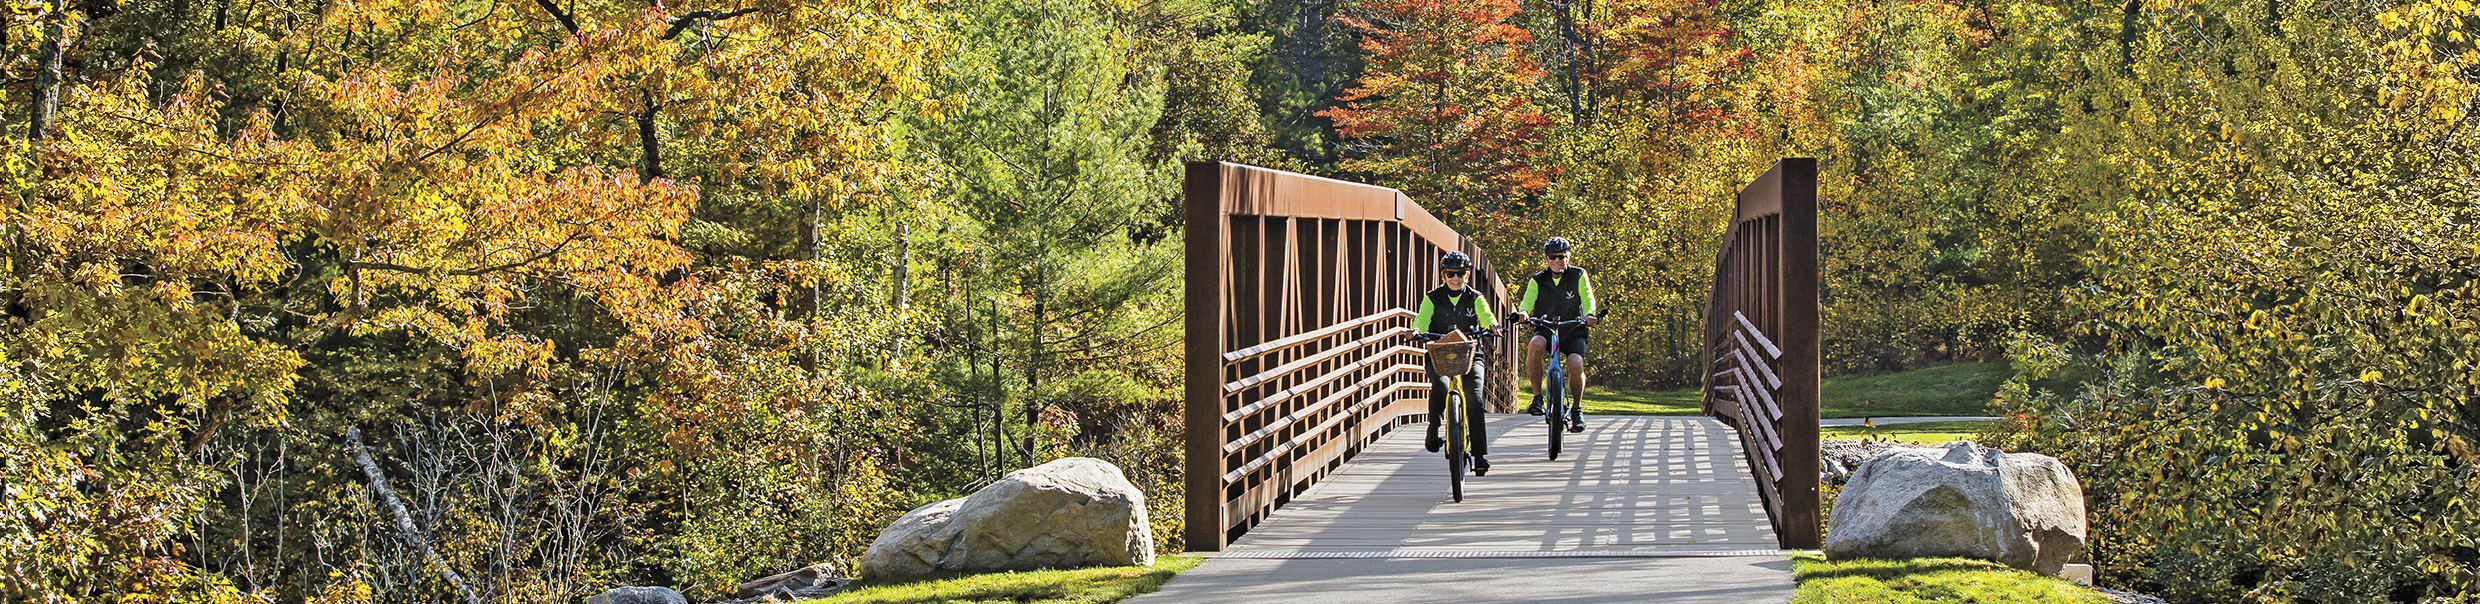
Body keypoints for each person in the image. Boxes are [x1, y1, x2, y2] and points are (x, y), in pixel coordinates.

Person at [1414, 251, 1496, 474]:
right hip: (1439, 355)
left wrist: (1492, 326)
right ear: (1443, 275)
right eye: (1451, 273)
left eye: (1460, 273)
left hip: (1470, 356)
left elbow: (1486, 315)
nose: (1455, 278)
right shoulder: (1432, 297)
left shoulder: (1475, 297)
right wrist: (1416, 330)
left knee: (1475, 398)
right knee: (1440, 385)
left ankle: (1479, 455)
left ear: (1467, 275)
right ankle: (1433, 427)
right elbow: (1422, 318)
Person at [1508, 237, 1600, 433]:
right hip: (1547, 327)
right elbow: (1527, 302)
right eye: (1553, 257)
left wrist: (1590, 314)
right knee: (1535, 345)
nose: (1557, 261)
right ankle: (1537, 398)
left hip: (1573, 327)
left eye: (1562, 256)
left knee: (1575, 364)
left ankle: (1576, 409)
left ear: (1568, 256)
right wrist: (1523, 314)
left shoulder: (1578, 275)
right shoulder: (1538, 280)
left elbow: (1587, 297)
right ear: (1546, 258)